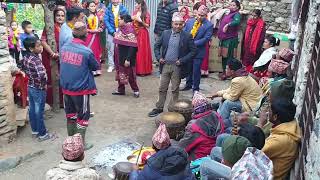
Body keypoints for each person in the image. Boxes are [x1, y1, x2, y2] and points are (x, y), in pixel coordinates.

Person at [148, 12, 196, 117]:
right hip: (165, 65)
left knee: (175, 89)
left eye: (180, 24)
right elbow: (156, 46)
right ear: (172, 24)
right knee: (162, 88)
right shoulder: (165, 33)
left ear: (183, 24)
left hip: (177, 66)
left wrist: (182, 60)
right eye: (176, 24)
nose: (178, 26)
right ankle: (159, 108)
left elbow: (193, 51)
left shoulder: (187, 36)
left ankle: (172, 109)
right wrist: (159, 57)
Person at [60, 21, 99, 150]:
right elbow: (95, 66)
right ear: (85, 35)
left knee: (70, 115)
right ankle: (79, 145)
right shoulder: (86, 51)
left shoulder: (64, 47)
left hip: (66, 88)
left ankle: (70, 142)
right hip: (80, 90)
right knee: (83, 117)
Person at [209, 58, 262, 129]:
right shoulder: (243, 75)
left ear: (232, 71)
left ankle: (219, 125)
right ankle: (219, 117)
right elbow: (231, 90)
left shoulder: (238, 80)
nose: (225, 70)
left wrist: (222, 96)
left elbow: (232, 97)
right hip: (251, 101)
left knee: (227, 103)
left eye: (227, 69)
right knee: (224, 99)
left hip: (251, 105)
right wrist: (217, 94)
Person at [129, 123, 195, 180]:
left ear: (153, 147)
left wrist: (134, 171)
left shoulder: (150, 169)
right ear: (169, 143)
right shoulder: (183, 157)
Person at [260, 98, 301, 179]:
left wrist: (260, 123)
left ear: (275, 117)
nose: (268, 113)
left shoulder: (280, 140)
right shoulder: (288, 125)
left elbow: (255, 153)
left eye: (270, 111)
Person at [21, 36, 53, 141]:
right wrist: (44, 84)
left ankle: (35, 130)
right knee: (39, 111)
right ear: (31, 48)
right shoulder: (36, 60)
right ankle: (42, 134)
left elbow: (24, 70)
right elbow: (41, 75)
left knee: (32, 109)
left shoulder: (25, 58)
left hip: (30, 86)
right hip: (39, 88)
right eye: (38, 46)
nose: (41, 47)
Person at [178, 92, 224, 160]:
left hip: (200, 156)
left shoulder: (194, 126)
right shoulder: (216, 115)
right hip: (213, 150)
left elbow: (184, 147)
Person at [181, 5, 213, 92]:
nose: (199, 17)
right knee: (188, 68)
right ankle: (188, 84)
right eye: (198, 14)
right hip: (188, 51)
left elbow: (206, 38)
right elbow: (184, 32)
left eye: (202, 15)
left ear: (206, 15)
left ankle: (195, 89)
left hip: (198, 51)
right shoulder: (190, 21)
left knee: (196, 71)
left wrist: (192, 43)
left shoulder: (209, 25)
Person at [41, 7, 65, 107]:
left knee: (62, 77)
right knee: (52, 77)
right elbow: (43, 41)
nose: (60, 17)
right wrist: (52, 53)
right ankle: (52, 101)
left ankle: (62, 101)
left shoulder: (65, 27)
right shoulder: (49, 27)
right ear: (54, 17)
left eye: (62, 16)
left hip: (62, 56)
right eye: (58, 15)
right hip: (49, 56)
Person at [111, 14, 140, 98]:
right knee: (119, 72)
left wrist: (128, 59)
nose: (118, 20)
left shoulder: (130, 31)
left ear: (125, 21)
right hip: (119, 55)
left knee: (130, 74)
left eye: (120, 19)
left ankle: (136, 90)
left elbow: (133, 47)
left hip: (127, 57)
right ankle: (121, 90)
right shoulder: (120, 29)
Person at [217, 0, 241, 80]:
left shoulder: (237, 14)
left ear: (237, 7)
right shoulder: (229, 14)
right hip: (224, 38)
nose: (232, 6)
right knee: (224, 56)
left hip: (230, 39)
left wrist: (228, 24)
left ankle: (229, 74)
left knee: (229, 57)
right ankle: (224, 71)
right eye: (231, 5)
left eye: (234, 5)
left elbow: (236, 22)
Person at [104, 0, 128, 73]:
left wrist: (122, 30)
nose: (115, 0)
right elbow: (106, 21)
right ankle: (111, 65)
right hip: (111, 32)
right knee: (110, 49)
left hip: (121, 31)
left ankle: (121, 65)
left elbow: (126, 20)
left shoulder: (124, 9)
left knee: (122, 48)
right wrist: (112, 31)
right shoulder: (108, 9)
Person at [133, 0, 153, 76]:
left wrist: (140, 21)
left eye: (138, 3)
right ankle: (135, 70)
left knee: (142, 51)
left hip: (143, 34)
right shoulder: (134, 12)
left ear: (141, 4)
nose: (136, 5)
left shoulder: (146, 13)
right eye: (136, 3)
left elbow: (148, 25)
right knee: (134, 51)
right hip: (135, 33)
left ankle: (143, 70)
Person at [85, 0, 103, 75]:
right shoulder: (85, 16)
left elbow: (101, 25)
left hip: (96, 37)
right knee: (90, 52)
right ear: (88, 7)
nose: (93, 7)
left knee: (96, 52)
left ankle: (97, 69)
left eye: (94, 6)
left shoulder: (97, 16)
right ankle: (90, 70)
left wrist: (100, 28)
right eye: (91, 6)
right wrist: (94, 31)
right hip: (89, 37)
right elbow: (85, 28)